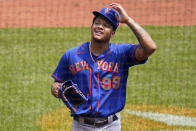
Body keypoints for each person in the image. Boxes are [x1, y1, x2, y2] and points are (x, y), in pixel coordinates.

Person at [51, 3, 156, 131]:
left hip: (111, 126)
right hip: (80, 126)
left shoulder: (121, 53)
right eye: (97, 23)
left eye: (106, 25)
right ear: (91, 26)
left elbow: (150, 47)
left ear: (113, 32)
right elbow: (57, 83)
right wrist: (55, 88)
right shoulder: (71, 55)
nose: (100, 27)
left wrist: (128, 21)